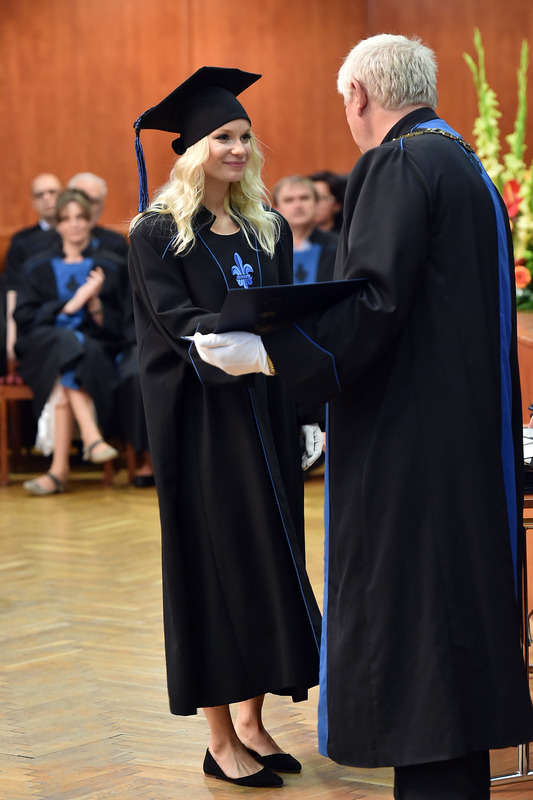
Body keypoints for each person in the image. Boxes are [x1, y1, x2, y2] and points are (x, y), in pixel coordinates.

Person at [192, 35, 533, 799]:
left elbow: (374, 301)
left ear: (357, 96)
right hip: (462, 437)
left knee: (416, 630)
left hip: (408, 446)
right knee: (450, 636)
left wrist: (272, 353)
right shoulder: (464, 163)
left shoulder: (396, 162)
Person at [128, 67, 322, 789]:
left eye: (244, 136)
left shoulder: (266, 230)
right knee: (212, 569)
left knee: (266, 562)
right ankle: (218, 738)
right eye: (222, 137)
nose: (238, 148)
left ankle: (252, 720)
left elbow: (281, 312)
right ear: (190, 150)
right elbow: (173, 324)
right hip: (202, 423)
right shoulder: (157, 234)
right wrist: (241, 330)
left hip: (263, 417)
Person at [14, 189, 123, 494]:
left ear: (90, 220)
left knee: (70, 359)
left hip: (93, 346)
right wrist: (70, 305)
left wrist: (94, 303)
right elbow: (24, 317)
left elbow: (120, 326)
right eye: (66, 219)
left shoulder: (110, 266)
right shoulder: (36, 266)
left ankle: (59, 470)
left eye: (80, 217)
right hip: (41, 345)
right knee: (66, 341)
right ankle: (91, 435)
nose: (74, 225)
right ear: (58, 224)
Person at [67, 172, 154, 486]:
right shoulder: (45, 252)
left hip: (126, 332)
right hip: (96, 338)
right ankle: (125, 449)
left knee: (141, 373)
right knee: (97, 363)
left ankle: (151, 459)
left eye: (92, 202)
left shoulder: (116, 247)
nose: (83, 211)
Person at [5, 173, 63, 371]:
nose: (47, 198)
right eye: (40, 195)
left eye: (52, 192)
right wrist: (11, 339)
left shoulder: (78, 236)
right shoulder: (21, 241)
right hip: (34, 320)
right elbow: (13, 289)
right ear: (33, 202)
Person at [273, 175, 337, 284]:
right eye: (289, 200)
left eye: (304, 198)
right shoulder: (265, 250)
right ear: (276, 209)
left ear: (316, 204)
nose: (298, 205)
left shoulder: (338, 246)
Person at [67, 172, 129, 259]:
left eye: (94, 201)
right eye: (82, 199)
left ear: (101, 206)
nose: (87, 206)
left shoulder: (116, 243)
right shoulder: (48, 241)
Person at [309, 170, 345, 234]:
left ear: (337, 205)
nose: (314, 202)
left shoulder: (347, 237)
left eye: (322, 197)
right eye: (309, 197)